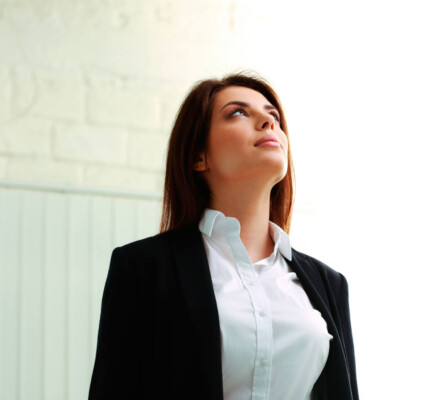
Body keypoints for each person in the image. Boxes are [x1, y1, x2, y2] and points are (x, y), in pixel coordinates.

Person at [88, 73, 359, 400]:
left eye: (273, 116)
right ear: (198, 156)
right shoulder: (143, 269)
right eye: (238, 113)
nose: (267, 122)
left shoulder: (329, 284)